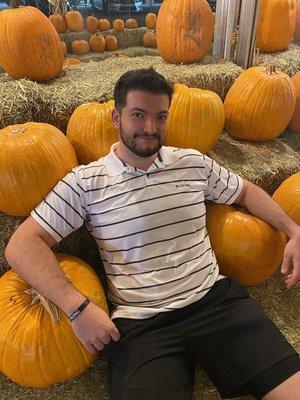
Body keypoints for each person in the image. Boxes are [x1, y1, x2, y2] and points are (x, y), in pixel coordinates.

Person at [5, 68, 300, 400]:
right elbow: (21, 245)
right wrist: (77, 308)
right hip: (144, 326)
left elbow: (244, 191)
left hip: (216, 304)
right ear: (116, 117)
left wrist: (293, 231)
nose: (150, 128)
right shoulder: (86, 182)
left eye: (160, 117)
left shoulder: (191, 162)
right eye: (138, 115)